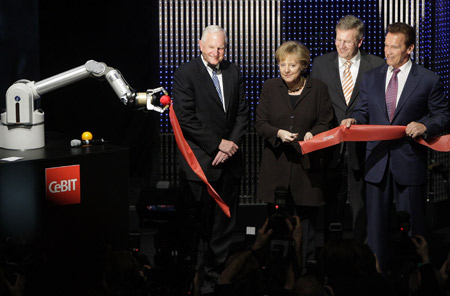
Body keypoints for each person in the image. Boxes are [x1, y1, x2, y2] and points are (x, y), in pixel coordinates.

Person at [341, 22, 450, 274]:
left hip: (409, 162)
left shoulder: (428, 80)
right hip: (376, 163)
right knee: (376, 229)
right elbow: (363, 109)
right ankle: (378, 276)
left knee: (413, 228)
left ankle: (415, 277)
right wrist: (354, 118)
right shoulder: (371, 77)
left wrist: (424, 125)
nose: (387, 51)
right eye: (385, 45)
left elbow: (443, 116)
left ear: (410, 48)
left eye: (394, 46)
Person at [172, 25, 249, 295]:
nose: (218, 52)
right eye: (213, 47)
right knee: (197, 227)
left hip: (229, 162)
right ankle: (193, 277)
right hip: (200, 166)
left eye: (222, 47)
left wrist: (230, 146)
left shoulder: (234, 71)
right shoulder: (185, 73)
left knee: (225, 227)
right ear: (200, 46)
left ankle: (216, 278)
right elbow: (185, 118)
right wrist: (217, 144)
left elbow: (242, 113)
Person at [255, 40, 334, 268]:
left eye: (292, 65)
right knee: (276, 227)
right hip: (276, 169)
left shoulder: (318, 88)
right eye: (282, 65)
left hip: (307, 170)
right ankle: (275, 273)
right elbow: (260, 123)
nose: (286, 70)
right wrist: (277, 133)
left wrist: (313, 134)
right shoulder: (270, 87)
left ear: (303, 66)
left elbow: (325, 122)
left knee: (306, 228)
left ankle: (305, 273)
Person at [310, 15, 385, 243]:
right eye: (338, 39)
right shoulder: (321, 64)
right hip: (331, 148)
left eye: (347, 41)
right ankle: (331, 257)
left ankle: (362, 255)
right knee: (332, 205)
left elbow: (379, 107)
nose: (341, 45)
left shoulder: (377, 66)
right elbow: (316, 105)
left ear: (360, 42)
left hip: (363, 150)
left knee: (362, 207)